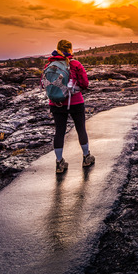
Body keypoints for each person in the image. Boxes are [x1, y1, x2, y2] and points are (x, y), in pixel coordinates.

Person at [44, 39, 94, 173]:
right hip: (76, 102)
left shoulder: (49, 65)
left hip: (56, 103)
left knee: (59, 131)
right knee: (80, 129)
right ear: (70, 50)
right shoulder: (75, 64)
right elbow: (85, 84)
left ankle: (59, 163)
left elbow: (45, 85)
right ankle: (86, 157)